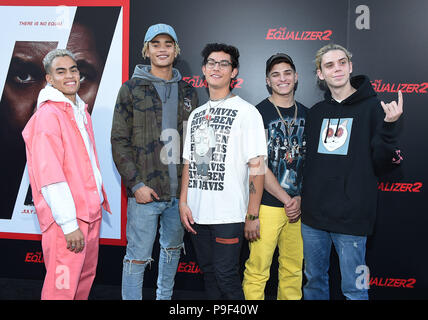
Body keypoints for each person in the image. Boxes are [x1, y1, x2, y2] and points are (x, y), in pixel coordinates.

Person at [301, 43, 404, 300]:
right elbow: (309, 165)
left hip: (352, 220)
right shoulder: (316, 114)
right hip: (313, 220)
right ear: (320, 74)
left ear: (350, 67)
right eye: (329, 65)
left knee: (355, 290)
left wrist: (389, 127)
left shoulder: (374, 109)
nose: (337, 69)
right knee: (314, 284)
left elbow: (383, 164)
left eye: (341, 62)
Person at [111, 23, 198, 300]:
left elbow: (195, 146)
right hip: (145, 194)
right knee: (137, 258)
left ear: (176, 50)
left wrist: (188, 192)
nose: (162, 49)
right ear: (146, 50)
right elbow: (118, 141)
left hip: (178, 196)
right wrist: (136, 185)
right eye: (156, 44)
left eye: (168, 44)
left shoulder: (188, 92)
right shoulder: (131, 89)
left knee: (172, 253)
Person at [179, 43, 267, 300]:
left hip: (229, 215)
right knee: (209, 274)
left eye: (224, 63)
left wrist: (252, 215)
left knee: (226, 276)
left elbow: (257, 166)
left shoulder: (248, 112)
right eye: (212, 63)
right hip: (197, 213)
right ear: (204, 70)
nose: (217, 67)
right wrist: (184, 201)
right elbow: (188, 162)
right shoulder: (196, 115)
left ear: (234, 72)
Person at [22, 49, 111, 300]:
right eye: (61, 71)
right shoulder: (48, 116)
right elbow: (50, 176)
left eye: (73, 69)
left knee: (82, 282)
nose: (70, 75)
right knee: (61, 290)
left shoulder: (79, 110)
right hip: (68, 221)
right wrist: (69, 224)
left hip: (90, 214)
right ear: (49, 79)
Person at [242, 53, 308, 300]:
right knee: (258, 271)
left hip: (299, 208)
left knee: (293, 270)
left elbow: (312, 164)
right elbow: (257, 165)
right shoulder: (256, 114)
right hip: (267, 205)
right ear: (268, 81)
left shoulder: (308, 114)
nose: (283, 79)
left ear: (296, 77)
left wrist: (299, 198)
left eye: (287, 73)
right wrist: (286, 199)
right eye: (276, 74)